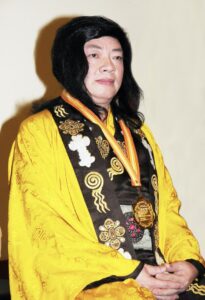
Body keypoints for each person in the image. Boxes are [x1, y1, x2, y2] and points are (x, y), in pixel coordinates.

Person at [8, 16, 205, 300]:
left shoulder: (138, 133)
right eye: (93, 55)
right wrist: (131, 271)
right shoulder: (39, 132)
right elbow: (44, 231)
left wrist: (188, 263)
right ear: (69, 62)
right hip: (93, 283)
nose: (108, 65)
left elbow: (168, 211)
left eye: (118, 57)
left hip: (158, 272)